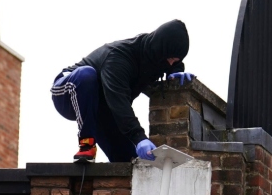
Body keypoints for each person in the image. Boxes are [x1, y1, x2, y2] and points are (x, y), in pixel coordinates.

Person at [51, 20, 196, 163]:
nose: (170, 63)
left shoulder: (157, 58)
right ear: (161, 49)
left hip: (102, 106)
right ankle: (86, 144)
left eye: (175, 60)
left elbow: (172, 63)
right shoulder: (120, 59)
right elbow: (119, 101)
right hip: (69, 90)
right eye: (171, 58)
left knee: (127, 160)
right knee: (87, 75)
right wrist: (139, 137)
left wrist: (176, 71)